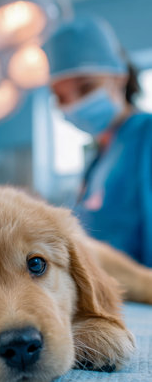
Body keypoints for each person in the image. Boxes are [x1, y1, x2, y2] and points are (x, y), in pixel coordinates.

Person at [44, 16, 152, 267]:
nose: (73, 104)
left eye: (85, 88)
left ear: (119, 76)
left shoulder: (145, 136)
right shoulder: (99, 156)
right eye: (60, 97)